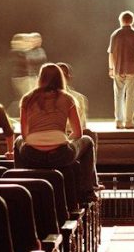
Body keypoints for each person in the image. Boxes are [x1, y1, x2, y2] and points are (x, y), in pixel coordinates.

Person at [15, 62, 99, 200]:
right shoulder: (67, 98)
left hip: (32, 154)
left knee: (17, 141)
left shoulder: (27, 99)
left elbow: (24, 135)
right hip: (61, 154)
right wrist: (65, 141)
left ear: (40, 78)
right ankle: (87, 190)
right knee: (88, 141)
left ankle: (20, 185)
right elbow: (78, 133)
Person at [107, 10, 134, 129]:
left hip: (118, 68)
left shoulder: (115, 34)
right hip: (132, 68)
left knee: (118, 96)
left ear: (121, 20)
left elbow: (111, 53)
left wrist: (111, 68)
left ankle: (119, 121)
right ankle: (129, 122)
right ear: (132, 21)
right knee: (131, 96)